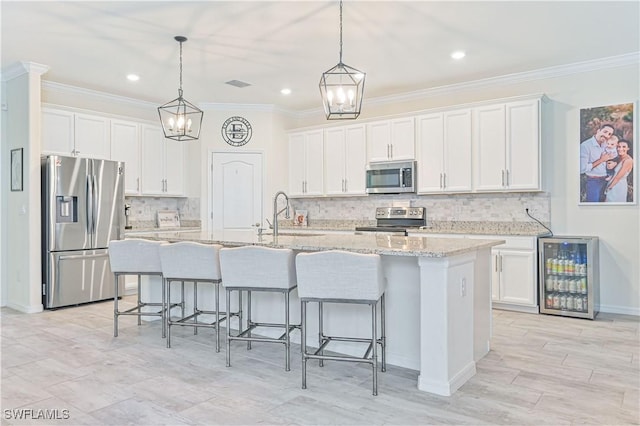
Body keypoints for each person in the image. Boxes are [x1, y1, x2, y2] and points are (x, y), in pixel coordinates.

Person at [580, 123, 615, 202]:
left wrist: (614, 163)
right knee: (593, 206)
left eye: (609, 134)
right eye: (605, 132)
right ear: (598, 131)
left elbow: (615, 154)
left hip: (607, 180)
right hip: (594, 182)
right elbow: (582, 169)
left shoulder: (607, 144)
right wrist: (601, 160)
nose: (607, 135)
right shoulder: (585, 146)